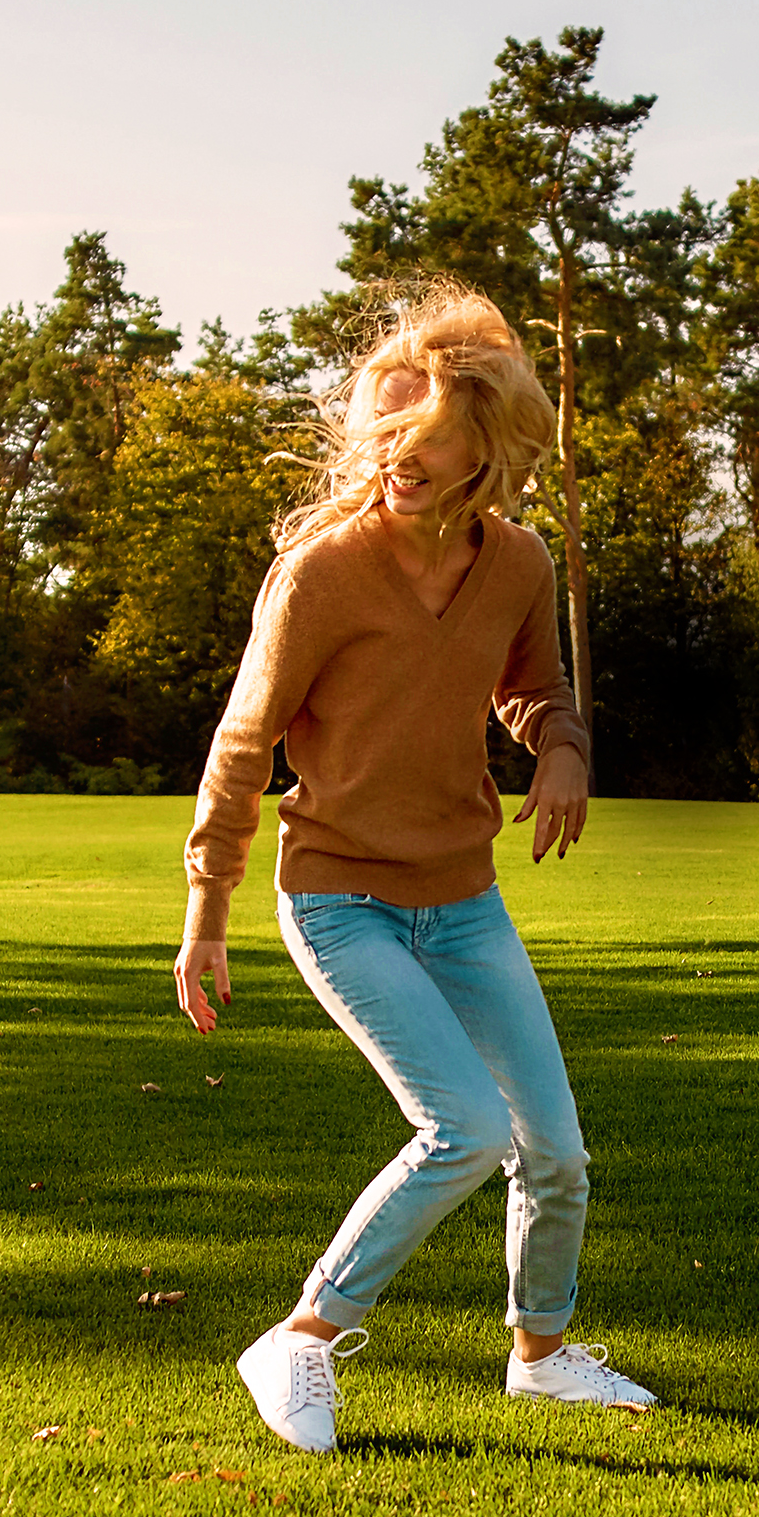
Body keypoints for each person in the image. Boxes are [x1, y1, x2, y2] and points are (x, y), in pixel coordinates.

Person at [176, 285, 651, 1456]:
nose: (395, 460)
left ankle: (540, 1358)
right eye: (381, 438)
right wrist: (206, 913)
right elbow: (242, 746)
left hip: (462, 900)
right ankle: (302, 1335)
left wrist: (563, 749)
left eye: (421, 443)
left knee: (558, 1151)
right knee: (464, 1130)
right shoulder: (322, 573)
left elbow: (535, 688)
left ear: (485, 449)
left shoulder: (519, 565)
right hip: (340, 899)